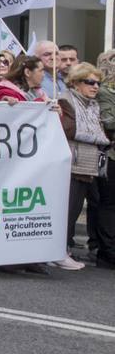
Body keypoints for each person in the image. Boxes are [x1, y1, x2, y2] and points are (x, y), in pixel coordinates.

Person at [57, 63, 108, 271]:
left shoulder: (93, 104)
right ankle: (60, 250)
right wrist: (101, 138)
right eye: (89, 82)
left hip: (89, 163)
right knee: (68, 209)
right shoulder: (66, 100)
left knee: (78, 209)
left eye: (97, 83)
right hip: (72, 162)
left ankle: (66, 248)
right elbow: (70, 130)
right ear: (76, 83)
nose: (95, 87)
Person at [93, 50, 115, 269]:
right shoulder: (105, 92)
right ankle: (107, 252)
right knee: (108, 203)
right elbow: (109, 121)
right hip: (110, 155)